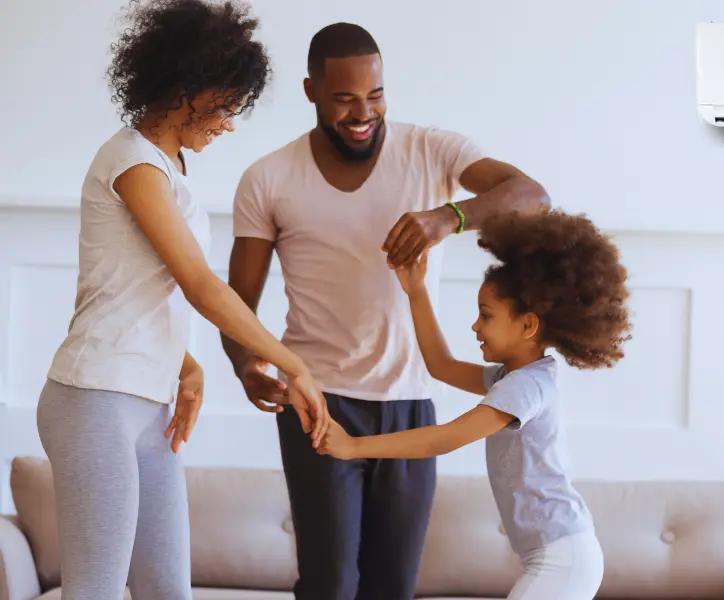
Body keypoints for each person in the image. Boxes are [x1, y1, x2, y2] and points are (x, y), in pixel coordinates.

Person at [221, 22, 549, 599]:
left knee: (392, 588)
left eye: (374, 96)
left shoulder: (433, 150)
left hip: (410, 401)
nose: (362, 112)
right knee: (328, 585)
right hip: (316, 400)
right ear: (311, 92)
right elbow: (236, 302)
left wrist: (447, 216)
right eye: (344, 98)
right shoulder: (268, 178)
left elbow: (532, 197)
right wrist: (246, 362)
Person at [38, 2, 329, 599]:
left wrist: (186, 363)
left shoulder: (171, 165)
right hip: (95, 398)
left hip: (148, 403)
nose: (228, 122)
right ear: (185, 86)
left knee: (168, 590)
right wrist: (296, 364)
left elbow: (138, 286)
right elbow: (199, 284)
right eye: (225, 104)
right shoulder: (132, 163)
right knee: (95, 590)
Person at [318, 210, 632, 600]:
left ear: (528, 325)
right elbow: (441, 365)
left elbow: (443, 439)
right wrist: (416, 292)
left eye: (486, 316)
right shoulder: (513, 378)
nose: (475, 327)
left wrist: (352, 447)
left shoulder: (526, 388)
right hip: (558, 553)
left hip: (563, 557)